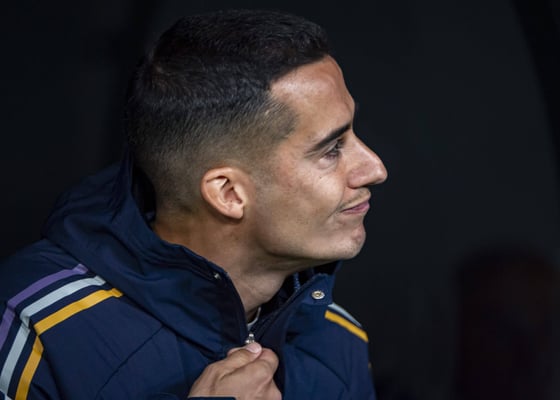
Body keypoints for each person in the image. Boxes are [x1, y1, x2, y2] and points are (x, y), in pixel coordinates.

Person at [0, 8, 387, 400]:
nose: (375, 168)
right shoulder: (35, 327)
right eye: (331, 149)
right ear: (228, 193)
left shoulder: (341, 342)